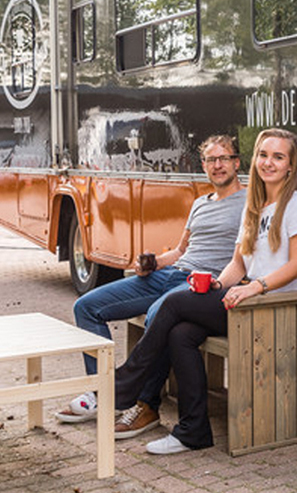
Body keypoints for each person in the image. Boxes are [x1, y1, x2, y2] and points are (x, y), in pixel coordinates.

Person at [114, 128, 297, 454]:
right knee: (180, 333)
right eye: (263, 155)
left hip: (280, 307)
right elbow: (238, 263)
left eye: (278, 157)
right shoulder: (255, 207)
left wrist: (256, 286)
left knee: (174, 303)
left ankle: (125, 381)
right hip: (252, 302)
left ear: (291, 166)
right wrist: (218, 285)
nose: (268, 162)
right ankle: (193, 431)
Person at [56, 135, 246, 441]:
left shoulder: (251, 202)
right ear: (204, 166)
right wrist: (152, 262)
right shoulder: (200, 203)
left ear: (237, 163)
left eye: (224, 159)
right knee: (86, 307)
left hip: (201, 284)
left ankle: (145, 405)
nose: (218, 165)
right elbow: (182, 251)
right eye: (211, 160)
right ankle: (102, 392)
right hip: (168, 275)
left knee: (159, 314)